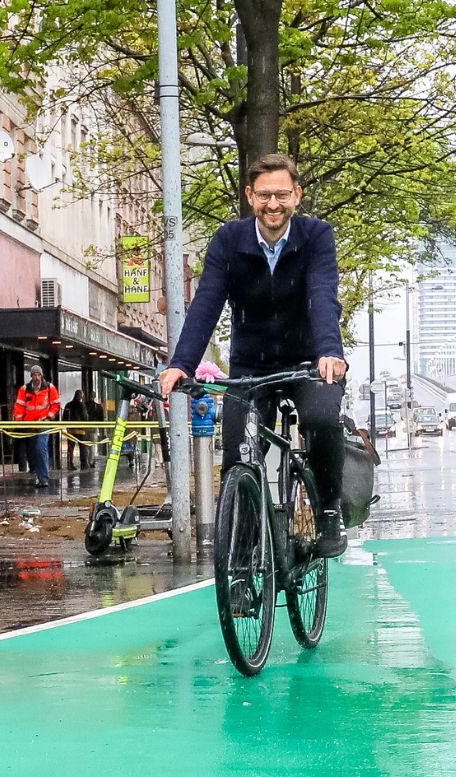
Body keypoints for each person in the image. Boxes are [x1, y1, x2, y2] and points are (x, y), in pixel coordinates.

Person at [159, 154, 349, 557]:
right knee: (238, 457)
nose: (273, 204)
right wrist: (182, 363)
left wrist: (330, 351)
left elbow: (322, 294)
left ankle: (329, 511)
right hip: (251, 365)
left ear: (296, 196)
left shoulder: (317, 236)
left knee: (322, 418)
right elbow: (207, 302)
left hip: (307, 362)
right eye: (264, 195)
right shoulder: (229, 241)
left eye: (282, 194)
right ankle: (242, 564)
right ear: (250, 196)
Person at [13, 365, 61, 487]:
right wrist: (19, 421)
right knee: (34, 451)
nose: (36, 377)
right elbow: (19, 406)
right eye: (34, 375)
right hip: (30, 425)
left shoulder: (50, 388)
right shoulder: (24, 390)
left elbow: (56, 405)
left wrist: (49, 417)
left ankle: (43, 478)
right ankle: (40, 476)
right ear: (31, 376)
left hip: (44, 422)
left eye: (38, 375)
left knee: (40, 448)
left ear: (42, 375)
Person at [62, 388, 95, 469]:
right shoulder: (81, 404)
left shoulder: (68, 405)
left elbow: (64, 418)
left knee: (70, 448)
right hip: (80, 430)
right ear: (81, 396)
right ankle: (83, 464)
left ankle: (70, 464)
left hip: (70, 430)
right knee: (82, 447)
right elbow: (85, 417)